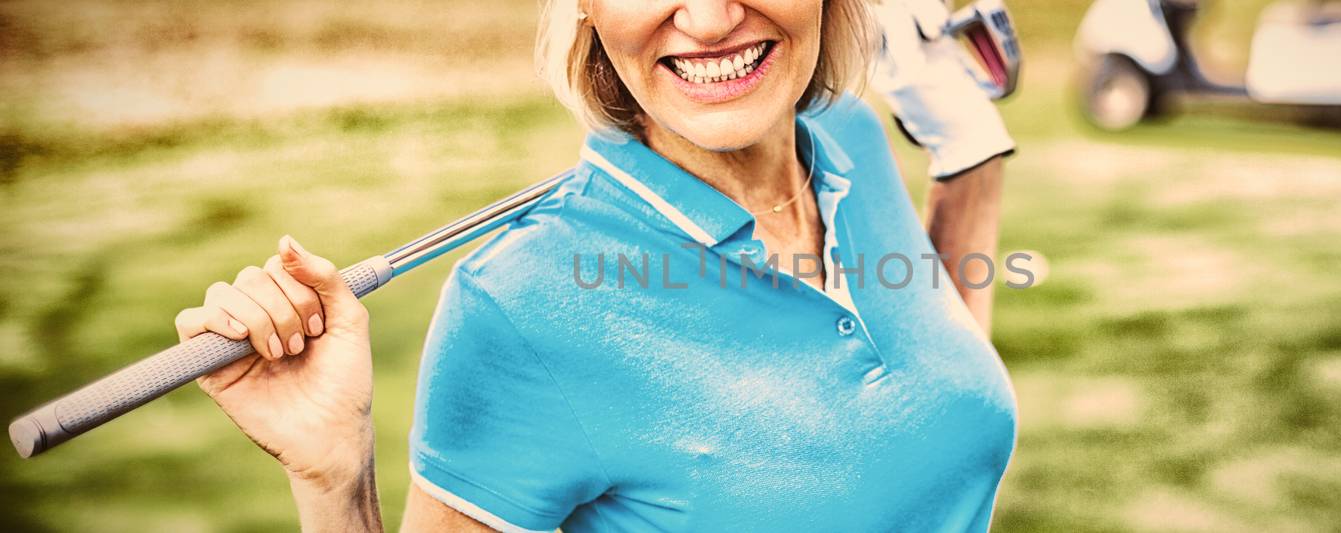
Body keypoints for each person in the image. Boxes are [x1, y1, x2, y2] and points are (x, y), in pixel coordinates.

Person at [172, 0, 1018, 530]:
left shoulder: (848, 141)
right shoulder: (522, 304)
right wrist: (336, 480)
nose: (713, 18)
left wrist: (969, 148)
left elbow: (933, 381)